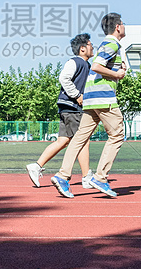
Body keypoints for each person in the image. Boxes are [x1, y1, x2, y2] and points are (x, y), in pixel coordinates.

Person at [51, 13, 127, 198]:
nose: (125, 27)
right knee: (117, 135)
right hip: (103, 96)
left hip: (91, 97)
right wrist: (117, 74)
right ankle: (100, 178)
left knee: (79, 138)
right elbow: (97, 66)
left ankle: (62, 175)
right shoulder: (112, 43)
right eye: (123, 24)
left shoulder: (104, 44)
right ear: (118, 27)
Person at [26, 33, 95, 189]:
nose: (93, 48)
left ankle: (36, 166)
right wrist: (77, 95)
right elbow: (64, 78)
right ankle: (86, 178)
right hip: (73, 108)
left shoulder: (86, 65)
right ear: (82, 48)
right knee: (83, 141)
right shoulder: (76, 62)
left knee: (63, 141)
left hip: (67, 108)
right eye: (91, 45)